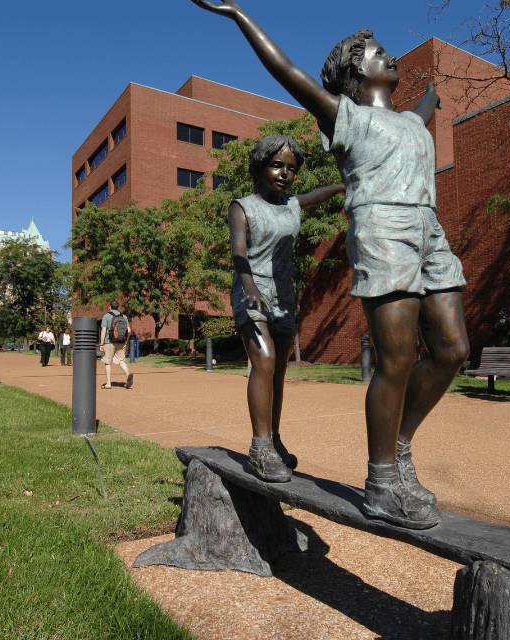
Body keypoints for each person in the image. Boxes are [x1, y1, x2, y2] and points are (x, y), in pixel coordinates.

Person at [193, 1, 470, 529]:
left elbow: (428, 104)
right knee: (396, 358)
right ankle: (382, 481)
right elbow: (286, 71)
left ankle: (401, 446)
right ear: (352, 72)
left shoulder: (411, 122)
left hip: (428, 228)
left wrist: (443, 83)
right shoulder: (345, 117)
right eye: (377, 53)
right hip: (383, 231)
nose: (389, 57)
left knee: (454, 347)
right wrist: (236, 14)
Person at [231, 135, 345, 483]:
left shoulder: (293, 204)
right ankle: (259, 448)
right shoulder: (242, 206)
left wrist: (342, 185)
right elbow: (238, 250)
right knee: (263, 361)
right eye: (277, 165)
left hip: (282, 295)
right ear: (261, 166)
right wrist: (249, 285)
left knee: (278, 370)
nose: (284, 174)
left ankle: (274, 439)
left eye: (291, 169)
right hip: (250, 291)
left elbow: (316, 195)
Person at [99, 301, 133, 389]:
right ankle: (128, 374)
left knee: (108, 362)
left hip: (109, 342)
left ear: (110, 307)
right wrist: (125, 340)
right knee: (121, 361)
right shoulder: (124, 316)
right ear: (118, 307)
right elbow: (129, 331)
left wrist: (101, 344)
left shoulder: (106, 316)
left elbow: (103, 331)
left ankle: (108, 383)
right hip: (122, 342)